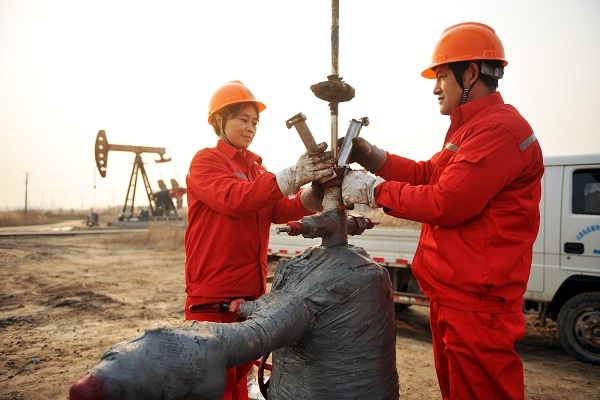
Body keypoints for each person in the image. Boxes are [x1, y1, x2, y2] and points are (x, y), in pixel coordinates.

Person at [340, 23, 544, 400]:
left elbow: (446, 203)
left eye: (442, 76)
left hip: (477, 304)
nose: (435, 88)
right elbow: (427, 175)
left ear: (471, 73)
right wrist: (373, 157)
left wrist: (373, 190)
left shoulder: (499, 131)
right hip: (454, 294)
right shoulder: (471, 129)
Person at [184, 80, 335, 400]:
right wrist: (293, 175)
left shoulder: (255, 169)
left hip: (251, 295)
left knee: (240, 379)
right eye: (243, 119)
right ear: (219, 121)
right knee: (213, 385)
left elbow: (277, 208)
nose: (250, 128)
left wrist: (313, 195)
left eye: (255, 122)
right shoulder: (206, 162)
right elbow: (234, 198)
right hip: (213, 295)